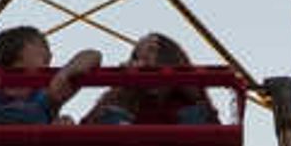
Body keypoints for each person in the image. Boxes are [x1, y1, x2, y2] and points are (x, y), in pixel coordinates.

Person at [84, 31, 221, 127]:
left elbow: (213, 125)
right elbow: (89, 124)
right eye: (137, 55)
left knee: (195, 112)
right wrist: (124, 85)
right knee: (113, 113)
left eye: (151, 50)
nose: (144, 58)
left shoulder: (187, 94)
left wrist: (189, 90)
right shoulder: (126, 95)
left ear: (168, 56)